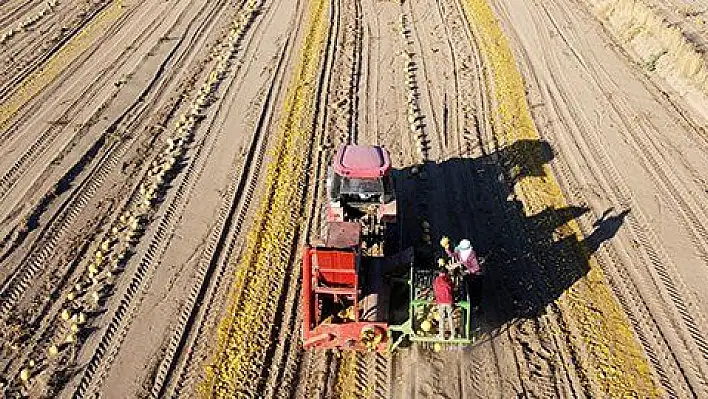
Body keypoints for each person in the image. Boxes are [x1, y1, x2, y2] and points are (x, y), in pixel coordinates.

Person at [442, 237, 483, 310]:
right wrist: (447, 249)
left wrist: (467, 271)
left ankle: (476, 306)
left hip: (474, 275)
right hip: (465, 272)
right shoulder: (460, 252)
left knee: (474, 290)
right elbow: (452, 255)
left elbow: (476, 268)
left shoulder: (472, 256)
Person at [433, 269, 455, 340]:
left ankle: (441, 335)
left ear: (439, 273)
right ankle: (453, 335)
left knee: (441, 318)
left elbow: (435, 289)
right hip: (449, 301)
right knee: (450, 317)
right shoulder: (448, 279)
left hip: (440, 301)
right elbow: (452, 288)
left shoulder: (436, 280)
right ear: (446, 273)